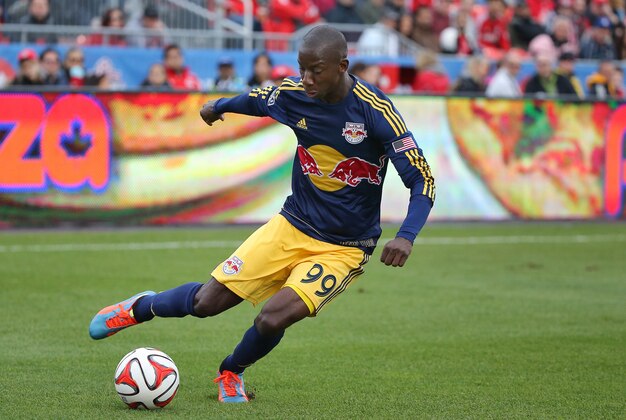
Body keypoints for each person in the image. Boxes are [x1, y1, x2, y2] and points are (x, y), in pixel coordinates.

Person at [89, 25, 435, 404]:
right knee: (208, 303)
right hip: (292, 226)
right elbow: (258, 99)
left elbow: (422, 179)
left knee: (273, 316)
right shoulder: (295, 93)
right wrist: (218, 106)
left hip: (344, 248)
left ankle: (230, 372)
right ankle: (140, 307)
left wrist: (406, 235)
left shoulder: (377, 111)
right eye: (302, 68)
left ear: (342, 65)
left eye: (315, 70)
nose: (306, 79)